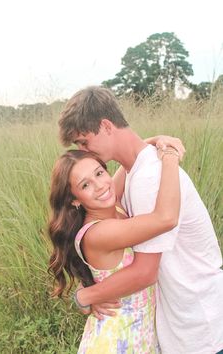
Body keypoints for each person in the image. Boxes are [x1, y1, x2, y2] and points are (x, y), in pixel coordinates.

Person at [58, 86, 223, 354]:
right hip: (184, 321)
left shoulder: (149, 178)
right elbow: (108, 190)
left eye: (84, 142)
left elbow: (146, 270)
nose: (84, 152)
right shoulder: (135, 170)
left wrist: (87, 295)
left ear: (106, 126)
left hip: (198, 327)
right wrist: (153, 140)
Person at [48, 146, 180, 353]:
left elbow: (131, 158)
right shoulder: (99, 233)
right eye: (85, 185)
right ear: (74, 199)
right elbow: (166, 218)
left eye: (100, 173)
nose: (100, 186)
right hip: (116, 340)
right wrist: (171, 158)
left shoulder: (112, 204)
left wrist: (155, 141)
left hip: (138, 334)